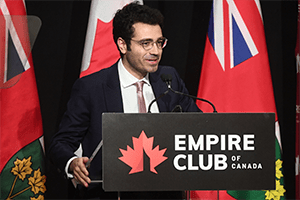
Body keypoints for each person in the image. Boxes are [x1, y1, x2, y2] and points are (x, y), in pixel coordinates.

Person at [48, 2, 201, 200]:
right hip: (110, 194)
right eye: (146, 43)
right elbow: (60, 143)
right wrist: (72, 163)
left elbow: (198, 127)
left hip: (165, 192)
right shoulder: (92, 88)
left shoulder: (169, 79)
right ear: (122, 44)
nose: (155, 51)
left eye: (159, 42)